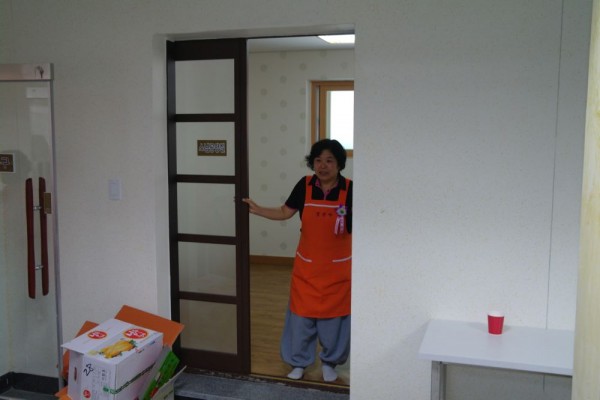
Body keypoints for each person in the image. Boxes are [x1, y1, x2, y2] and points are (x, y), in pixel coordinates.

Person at [243, 138, 352, 383]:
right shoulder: (305, 185)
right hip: (307, 268)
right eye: (318, 160)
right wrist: (259, 210)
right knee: (301, 320)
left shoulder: (351, 189)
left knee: (334, 322)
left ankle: (330, 363)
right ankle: (299, 363)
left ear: (339, 164)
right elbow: (285, 212)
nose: (323, 166)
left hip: (338, 271)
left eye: (329, 161)